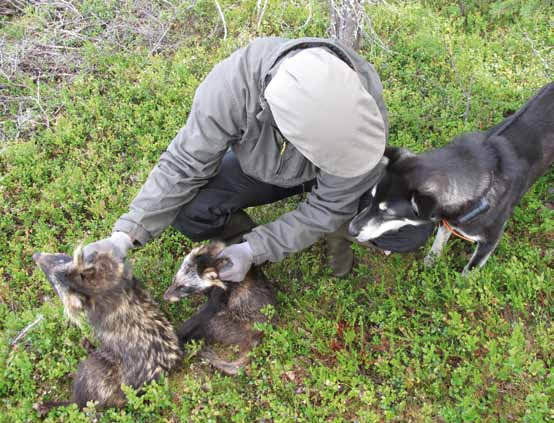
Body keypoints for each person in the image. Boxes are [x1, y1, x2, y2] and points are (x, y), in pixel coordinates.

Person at [84, 37, 433, 279]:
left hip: (341, 171)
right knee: (192, 213)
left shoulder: (361, 107)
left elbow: (329, 206)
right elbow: (183, 164)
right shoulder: (232, 88)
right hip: (263, 168)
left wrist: (259, 249)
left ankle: (275, 244)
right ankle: (241, 243)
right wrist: (123, 237)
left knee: (409, 233)